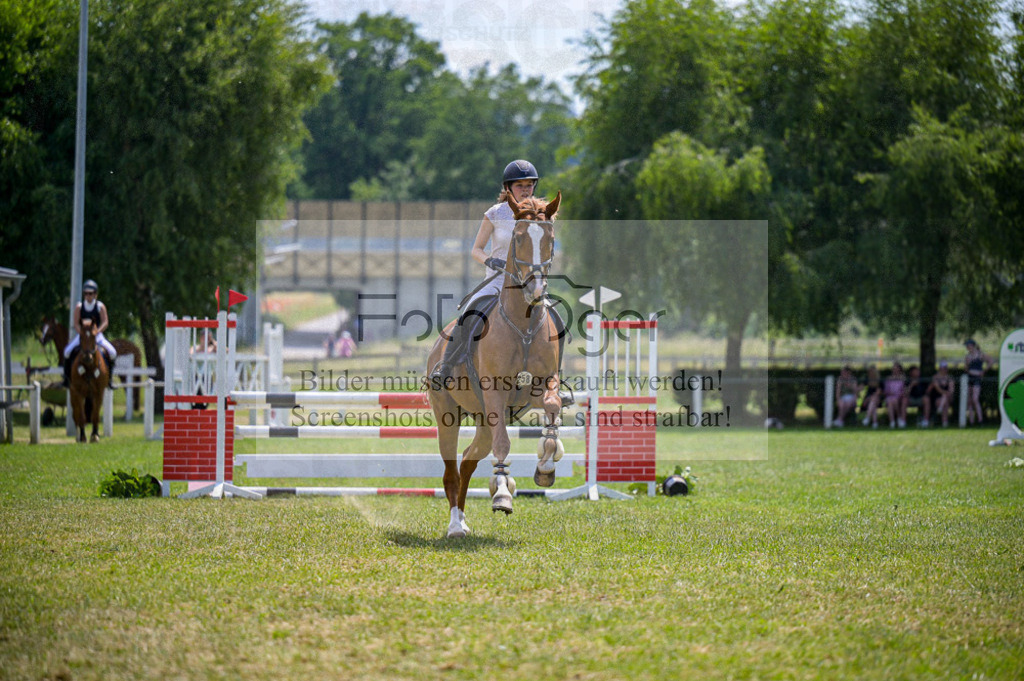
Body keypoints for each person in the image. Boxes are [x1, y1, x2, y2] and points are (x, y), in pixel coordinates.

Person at [429, 159, 542, 384]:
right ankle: (446, 366)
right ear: (508, 188)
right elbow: (476, 249)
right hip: (497, 282)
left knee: (552, 318)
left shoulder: (539, 213)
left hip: (529, 282)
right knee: (470, 313)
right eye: (519, 185)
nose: (525, 190)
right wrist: (491, 261)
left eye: (529, 185)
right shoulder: (496, 213)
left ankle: (555, 375)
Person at [63, 279, 117, 386]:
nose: (88, 296)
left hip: (97, 336)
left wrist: (97, 331)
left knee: (112, 352)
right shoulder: (79, 307)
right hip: (83, 336)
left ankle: (110, 379)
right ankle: (66, 379)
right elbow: (76, 323)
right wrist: (82, 333)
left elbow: (105, 322)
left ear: (95, 294)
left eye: (91, 294)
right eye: (86, 293)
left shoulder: (100, 307)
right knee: (67, 352)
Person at [964, 339, 994, 425]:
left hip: (977, 378)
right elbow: (966, 369)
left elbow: (991, 361)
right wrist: (967, 366)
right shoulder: (968, 357)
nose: (967, 347)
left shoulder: (980, 354)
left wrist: (984, 371)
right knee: (969, 400)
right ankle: (971, 420)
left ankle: (980, 420)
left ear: (972, 345)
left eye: (968, 345)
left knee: (975, 399)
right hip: (970, 377)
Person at [926, 361, 955, 427]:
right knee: (945, 402)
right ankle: (945, 422)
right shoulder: (935, 377)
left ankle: (940, 409)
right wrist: (946, 393)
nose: (944, 370)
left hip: (948, 397)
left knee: (945, 398)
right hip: (937, 397)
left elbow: (951, 390)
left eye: (945, 368)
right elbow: (938, 390)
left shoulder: (950, 378)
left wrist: (947, 393)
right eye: (942, 368)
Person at [883, 362, 907, 428]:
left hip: (899, 396)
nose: (895, 370)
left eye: (897, 369)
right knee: (890, 401)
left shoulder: (903, 378)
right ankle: (893, 421)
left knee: (894, 400)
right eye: (894, 369)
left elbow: (904, 390)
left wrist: (899, 394)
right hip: (890, 396)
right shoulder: (888, 378)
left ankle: (897, 418)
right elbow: (886, 390)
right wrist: (889, 392)